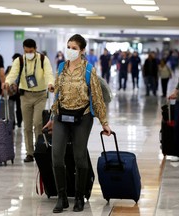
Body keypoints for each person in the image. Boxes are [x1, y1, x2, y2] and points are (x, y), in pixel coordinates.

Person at [43, 34, 111, 213]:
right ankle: (62, 196)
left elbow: (96, 97)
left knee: (79, 155)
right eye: (68, 47)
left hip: (83, 117)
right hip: (61, 116)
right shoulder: (61, 67)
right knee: (56, 155)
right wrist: (51, 118)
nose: (70, 50)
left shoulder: (89, 70)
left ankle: (79, 197)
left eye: (74, 48)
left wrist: (104, 122)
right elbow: (57, 95)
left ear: (82, 50)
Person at [2, 39, 55, 163]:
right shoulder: (19, 60)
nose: (29, 53)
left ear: (35, 48)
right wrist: (7, 82)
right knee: (26, 126)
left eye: (31, 51)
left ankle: (38, 150)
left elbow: (48, 73)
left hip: (40, 95)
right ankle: (29, 153)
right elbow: (12, 74)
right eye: (26, 51)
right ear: (23, 49)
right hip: (25, 95)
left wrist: (50, 83)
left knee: (37, 123)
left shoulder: (43, 59)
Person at [5, 53, 23, 128]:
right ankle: (12, 122)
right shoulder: (9, 68)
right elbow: (6, 77)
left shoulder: (23, 68)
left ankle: (19, 122)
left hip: (19, 91)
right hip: (11, 91)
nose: (13, 62)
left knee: (19, 108)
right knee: (11, 107)